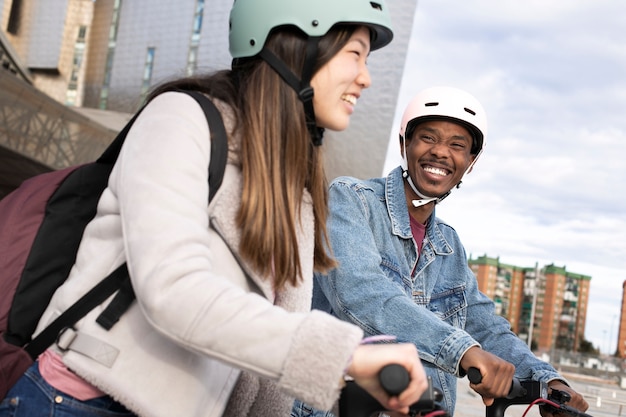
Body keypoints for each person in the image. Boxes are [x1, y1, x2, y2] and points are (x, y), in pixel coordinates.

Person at [0, 1, 430, 416]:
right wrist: (345, 354)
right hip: (78, 400)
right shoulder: (181, 118)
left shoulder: (291, 183)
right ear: (294, 42)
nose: (365, 78)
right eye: (355, 54)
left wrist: (346, 393)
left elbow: (264, 349)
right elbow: (175, 290)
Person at [293, 86, 589, 417]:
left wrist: (550, 382)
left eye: (457, 146)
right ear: (405, 145)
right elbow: (361, 293)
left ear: (470, 162)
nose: (441, 153)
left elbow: (486, 327)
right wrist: (461, 350)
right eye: (428, 138)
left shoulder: (449, 246)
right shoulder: (350, 200)